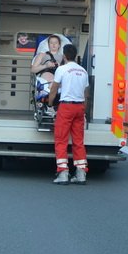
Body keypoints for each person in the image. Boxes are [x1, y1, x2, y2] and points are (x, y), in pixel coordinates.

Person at [49, 43, 89, 185]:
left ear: (65, 56)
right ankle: (81, 173)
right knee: (78, 141)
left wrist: (50, 103)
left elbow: (54, 89)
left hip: (66, 107)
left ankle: (63, 172)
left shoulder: (62, 69)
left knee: (61, 140)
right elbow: (86, 93)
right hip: (79, 107)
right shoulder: (83, 71)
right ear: (75, 55)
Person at [31, 34, 63, 104]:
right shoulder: (42, 55)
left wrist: (60, 66)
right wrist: (46, 65)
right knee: (52, 81)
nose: (53, 45)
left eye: (56, 43)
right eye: (51, 43)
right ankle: (48, 99)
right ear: (48, 45)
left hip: (59, 76)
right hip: (46, 75)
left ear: (59, 45)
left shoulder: (64, 57)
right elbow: (33, 69)